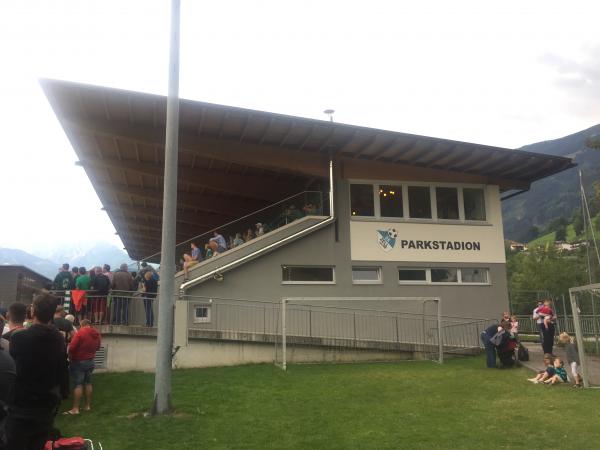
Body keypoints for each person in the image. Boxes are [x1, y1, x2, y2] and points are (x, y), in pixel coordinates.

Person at [5, 292, 68, 450]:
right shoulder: (59, 339)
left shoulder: (19, 338)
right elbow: (63, 371)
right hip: (46, 409)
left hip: (21, 408)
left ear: (33, 312)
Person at [64, 319, 101, 415]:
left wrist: (70, 356)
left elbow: (72, 347)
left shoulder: (80, 333)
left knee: (78, 384)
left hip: (78, 361)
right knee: (88, 383)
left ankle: (75, 409)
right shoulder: (97, 334)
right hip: (90, 361)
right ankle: (87, 406)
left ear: (81, 324)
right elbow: (98, 347)